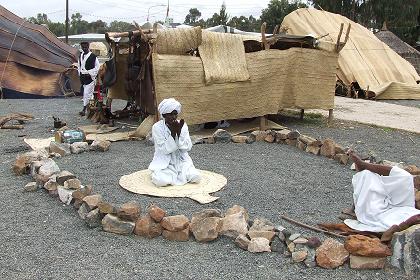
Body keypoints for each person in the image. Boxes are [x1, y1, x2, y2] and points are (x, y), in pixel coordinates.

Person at [344, 150, 420, 233]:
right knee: (406, 177)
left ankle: (363, 166)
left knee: (366, 175)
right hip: (405, 206)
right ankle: (364, 165)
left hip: (386, 213)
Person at [148, 98, 201, 187]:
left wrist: (178, 134)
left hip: (181, 160)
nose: (173, 117)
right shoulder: (157, 127)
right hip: (165, 162)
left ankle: (180, 174)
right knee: (160, 181)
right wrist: (173, 134)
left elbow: (188, 147)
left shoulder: (182, 125)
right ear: (164, 115)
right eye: (170, 114)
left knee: (195, 177)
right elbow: (164, 150)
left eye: (175, 114)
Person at [78, 41, 100, 116]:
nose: (84, 49)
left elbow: (97, 67)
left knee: (87, 93)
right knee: (89, 94)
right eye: (83, 47)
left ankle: (84, 109)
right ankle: (91, 109)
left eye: (85, 47)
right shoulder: (80, 55)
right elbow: (79, 66)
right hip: (83, 77)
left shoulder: (93, 56)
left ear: (88, 47)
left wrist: (90, 73)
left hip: (89, 77)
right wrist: (80, 74)